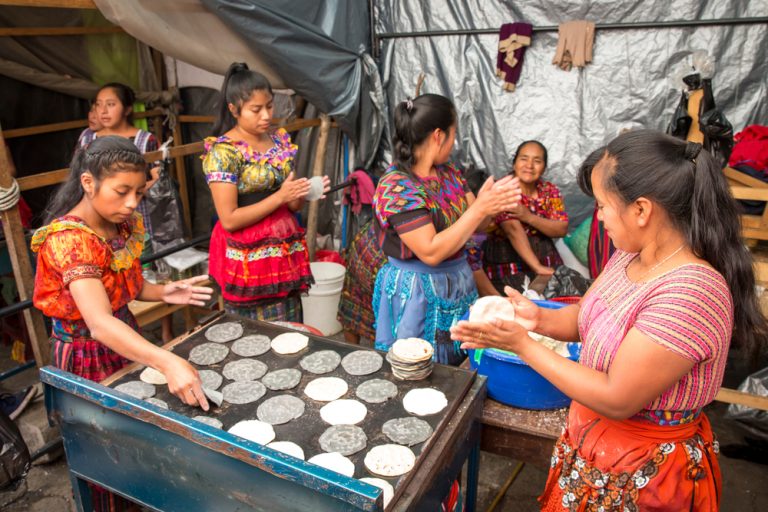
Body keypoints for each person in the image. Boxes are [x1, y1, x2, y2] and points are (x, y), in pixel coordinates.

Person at [452, 130, 768, 511]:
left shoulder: (692, 293)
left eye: (602, 205)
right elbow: (587, 319)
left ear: (641, 210)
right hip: (594, 451)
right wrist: (534, 318)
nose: (598, 216)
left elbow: (617, 397)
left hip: (644, 476)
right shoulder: (630, 255)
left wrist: (522, 345)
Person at [32, 136, 211, 511]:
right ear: (87, 182)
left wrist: (163, 292)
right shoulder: (69, 240)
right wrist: (167, 361)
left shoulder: (118, 225)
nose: (131, 203)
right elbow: (98, 321)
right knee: (106, 453)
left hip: (123, 338)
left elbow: (120, 286)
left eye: (138, 193)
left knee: (137, 445)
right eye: (121, 191)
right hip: (86, 354)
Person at [372, 94, 521, 365]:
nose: (454, 143)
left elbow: (477, 224)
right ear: (439, 135)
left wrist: (488, 208)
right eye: (454, 135)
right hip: (418, 293)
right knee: (418, 368)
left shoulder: (449, 173)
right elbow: (430, 251)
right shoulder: (397, 187)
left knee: (459, 365)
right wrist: (479, 209)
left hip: (458, 285)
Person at [203, 62, 329, 322]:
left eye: (269, 106)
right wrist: (279, 197)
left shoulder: (280, 141)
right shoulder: (223, 152)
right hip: (246, 258)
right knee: (253, 333)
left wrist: (301, 193)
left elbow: (292, 207)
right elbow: (229, 219)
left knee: (292, 327)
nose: (266, 116)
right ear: (234, 109)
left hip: (285, 251)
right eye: (255, 109)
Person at [482, 140, 569, 293]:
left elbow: (561, 228)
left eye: (537, 161)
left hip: (547, 261)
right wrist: (537, 268)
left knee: (554, 301)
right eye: (524, 159)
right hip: (507, 265)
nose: (529, 165)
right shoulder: (504, 188)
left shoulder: (549, 190)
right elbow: (512, 230)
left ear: (544, 168)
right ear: (514, 163)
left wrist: (528, 217)